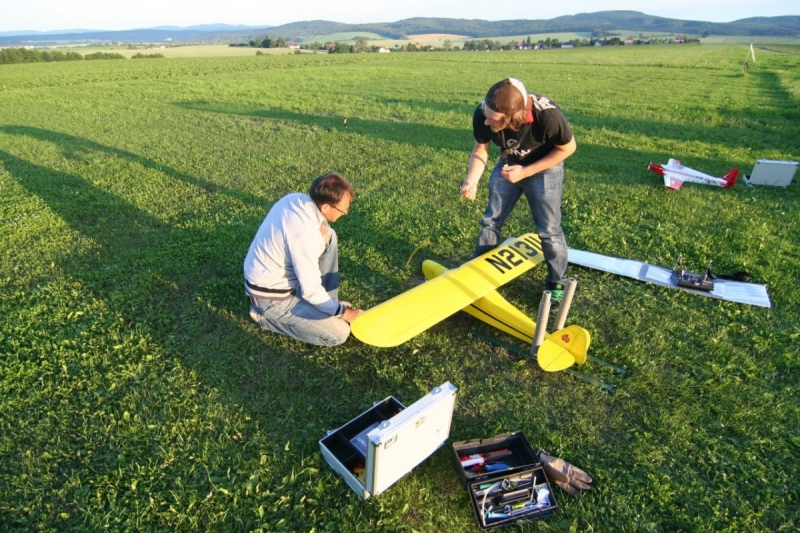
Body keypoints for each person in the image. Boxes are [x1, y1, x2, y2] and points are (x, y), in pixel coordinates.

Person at [460, 78, 576, 306]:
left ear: (511, 118)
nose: (485, 120)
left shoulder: (548, 116)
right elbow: (480, 150)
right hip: (509, 164)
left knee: (549, 231)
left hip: (544, 168)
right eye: (486, 113)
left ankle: (556, 286)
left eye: (492, 119)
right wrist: (471, 180)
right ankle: (478, 274)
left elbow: (568, 148)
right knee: (490, 222)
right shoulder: (483, 114)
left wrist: (525, 172)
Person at [243, 172, 364, 346]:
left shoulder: (295, 199)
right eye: (343, 209)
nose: (346, 212)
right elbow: (311, 291)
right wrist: (345, 313)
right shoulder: (305, 237)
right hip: (272, 298)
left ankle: (328, 304)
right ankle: (264, 318)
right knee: (339, 334)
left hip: (272, 277)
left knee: (329, 236)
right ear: (325, 208)